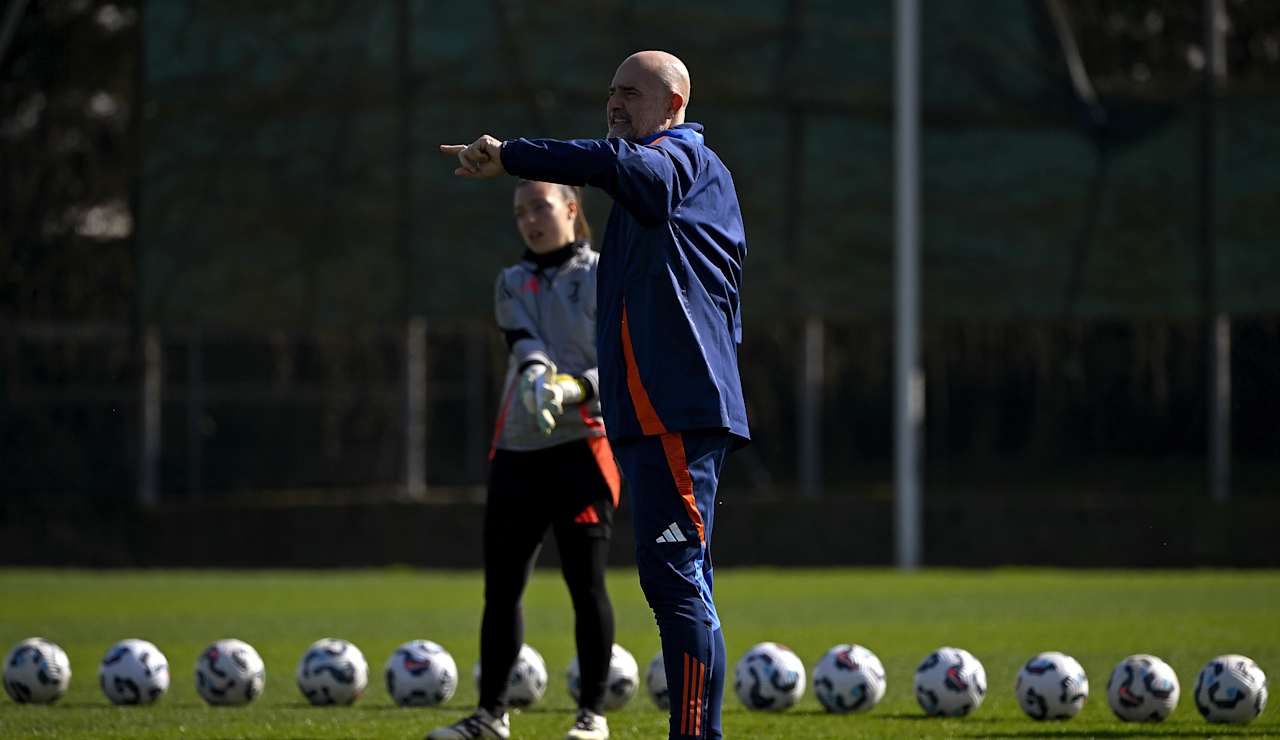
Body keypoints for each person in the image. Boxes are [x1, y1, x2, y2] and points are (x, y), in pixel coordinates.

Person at [440, 50, 749, 740]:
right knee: (680, 584)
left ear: (673, 106)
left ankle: (695, 737)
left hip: (676, 410)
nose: (614, 104)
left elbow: (616, 167)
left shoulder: (682, 161)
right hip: (648, 415)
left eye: (631, 94)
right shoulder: (653, 184)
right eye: (610, 92)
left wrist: (512, 154)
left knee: (676, 584)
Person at [427, 181, 621, 740]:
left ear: (570, 208)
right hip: (518, 449)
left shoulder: (604, 274)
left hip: (584, 448)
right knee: (503, 587)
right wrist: (537, 376)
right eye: (520, 213)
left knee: (586, 585)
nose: (530, 219)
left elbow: (624, 360)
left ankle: (592, 716)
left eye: (540, 206)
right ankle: (490, 715)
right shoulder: (511, 281)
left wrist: (573, 390)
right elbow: (524, 344)